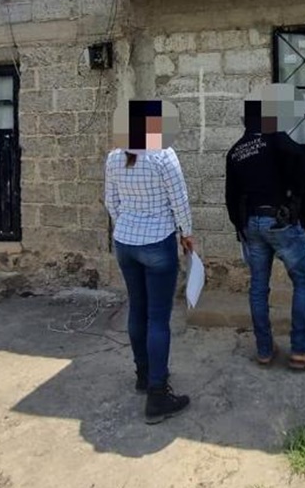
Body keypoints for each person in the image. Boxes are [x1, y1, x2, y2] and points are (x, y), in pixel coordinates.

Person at [225, 84, 305, 371]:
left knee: (258, 288)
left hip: (252, 226)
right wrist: (294, 194)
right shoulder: (276, 140)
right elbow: (304, 166)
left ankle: (264, 350)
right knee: (304, 282)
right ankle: (300, 350)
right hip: (280, 222)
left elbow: (230, 197)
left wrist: (241, 229)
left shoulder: (235, 152)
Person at [104, 99, 195, 424]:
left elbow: (110, 202)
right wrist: (187, 233)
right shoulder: (163, 155)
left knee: (137, 310)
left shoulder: (115, 157)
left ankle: (143, 375)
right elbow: (179, 200)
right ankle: (158, 394)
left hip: (125, 243)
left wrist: (128, 224)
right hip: (157, 243)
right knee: (159, 318)